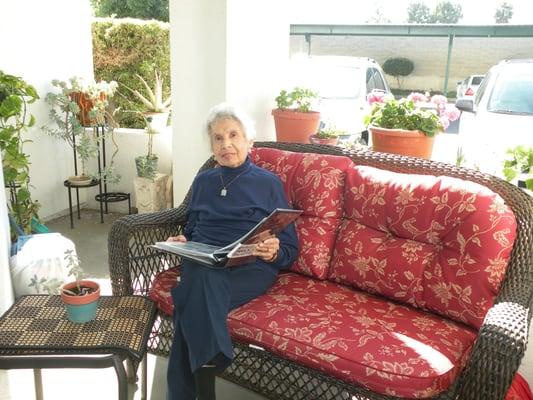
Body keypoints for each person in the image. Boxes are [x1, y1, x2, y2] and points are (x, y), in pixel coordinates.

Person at [166, 103, 299, 400]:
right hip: (203, 260)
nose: (226, 144)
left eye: (233, 135)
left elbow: (290, 248)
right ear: (212, 146)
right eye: (218, 138)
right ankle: (209, 373)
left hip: (250, 266)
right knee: (201, 277)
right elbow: (193, 226)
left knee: (190, 293)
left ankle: (194, 390)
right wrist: (183, 241)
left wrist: (273, 252)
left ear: (248, 141)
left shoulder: (268, 183)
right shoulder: (203, 181)